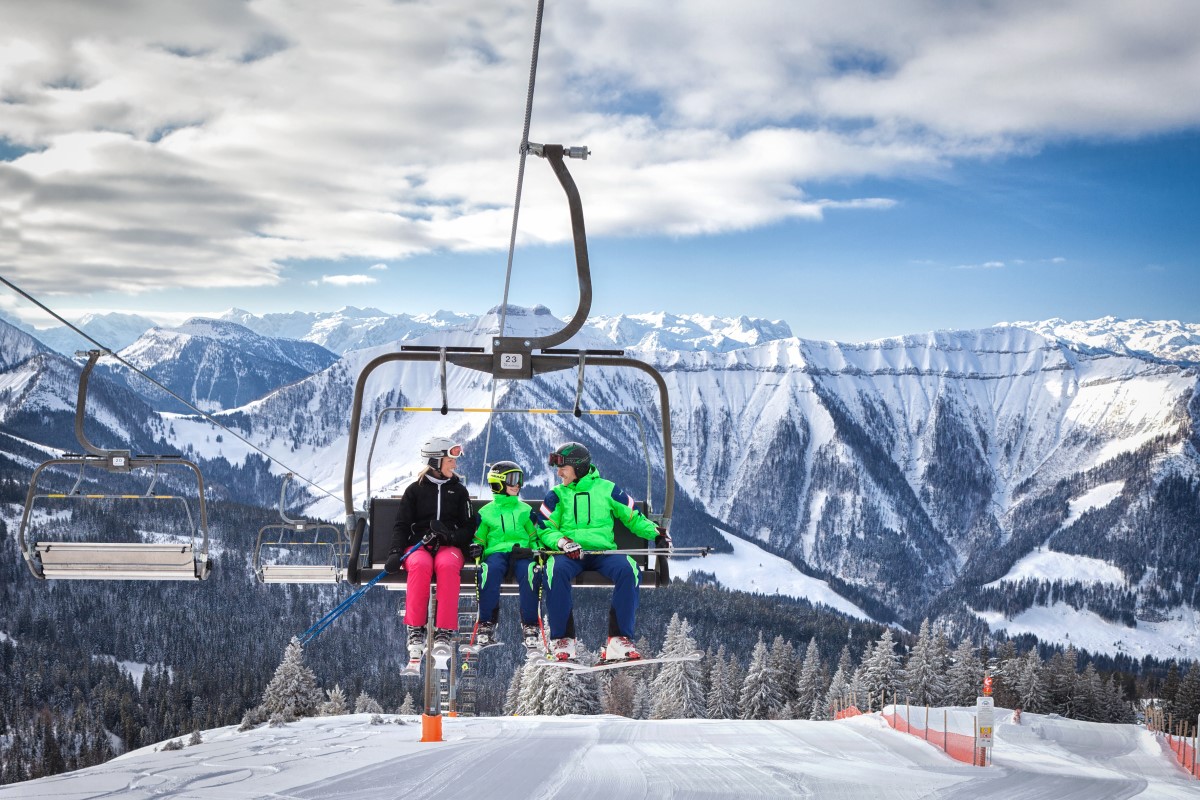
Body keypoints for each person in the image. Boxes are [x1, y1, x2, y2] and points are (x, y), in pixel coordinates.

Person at [535, 441, 665, 662]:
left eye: (563, 467)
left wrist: (657, 534)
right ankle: (563, 639)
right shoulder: (556, 495)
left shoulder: (608, 489)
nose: (558, 474)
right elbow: (544, 528)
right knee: (553, 570)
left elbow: (632, 516)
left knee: (629, 569)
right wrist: (563, 543)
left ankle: (618, 639)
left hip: (603, 554)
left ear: (578, 467)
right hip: (570, 554)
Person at [384, 436, 478, 663]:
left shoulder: (459, 491)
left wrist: (452, 536)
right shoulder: (414, 491)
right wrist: (396, 552)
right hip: (419, 545)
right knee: (420, 564)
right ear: (436, 461)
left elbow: (469, 526)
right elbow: (402, 525)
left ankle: (444, 630)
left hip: (450, 547)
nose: (454, 464)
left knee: (446, 566)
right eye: (450, 460)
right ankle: (416, 628)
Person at [468, 460, 542, 655]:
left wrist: (536, 551)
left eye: (519, 479)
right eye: (512, 479)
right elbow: (480, 538)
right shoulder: (486, 513)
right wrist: (477, 548)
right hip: (496, 554)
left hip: (521, 553)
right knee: (489, 571)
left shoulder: (525, 511)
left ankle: (530, 624)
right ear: (498, 483)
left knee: (530, 572)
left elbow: (534, 536)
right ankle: (486, 622)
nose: (517, 484)